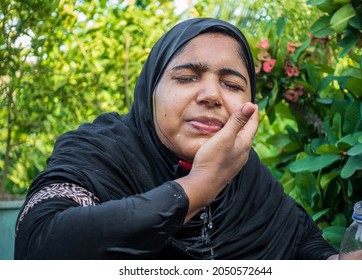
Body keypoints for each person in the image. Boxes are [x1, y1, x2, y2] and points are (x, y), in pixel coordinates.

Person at [14, 17, 338, 260]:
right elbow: (40, 243)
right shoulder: (100, 153)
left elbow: (302, 245)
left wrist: (340, 263)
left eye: (232, 85)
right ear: (150, 91)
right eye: (186, 78)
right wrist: (201, 185)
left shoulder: (248, 176)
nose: (211, 95)